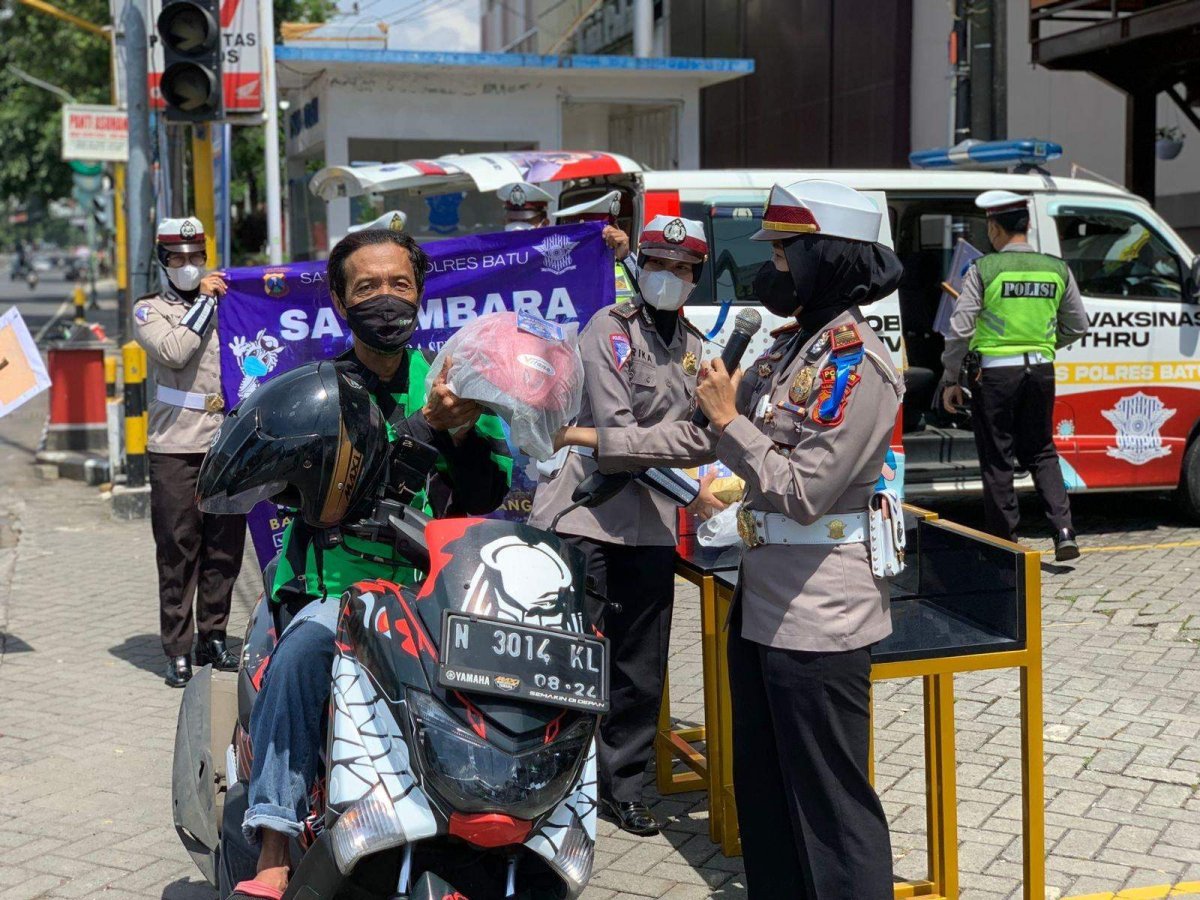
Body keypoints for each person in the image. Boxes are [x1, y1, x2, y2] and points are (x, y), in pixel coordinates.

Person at [555, 180, 904, 897]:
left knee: (831, 809)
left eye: (783, 253)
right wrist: (593, 437)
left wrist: (728, 420)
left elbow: (803, 491)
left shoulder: (855, 362)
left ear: (826, 258)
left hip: (821, 616)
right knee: (765, 796)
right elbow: (692, 433)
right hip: (763, 606)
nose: (772, 268)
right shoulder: (786, 352)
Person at [227, 229, 512, 900]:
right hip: (336, 590)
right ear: (338, 300)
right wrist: (426, 433)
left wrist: (465, 430)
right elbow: (321, 488)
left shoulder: (455, 384)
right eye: (367, 288)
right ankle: (271, 842)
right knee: (305, 649)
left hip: (431, 593)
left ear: (419, 294)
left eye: (399, 286)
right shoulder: (313, 391)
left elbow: (489, 494)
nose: (386, 300)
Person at [528, 215, 723, 836]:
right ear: (641, 268)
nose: (669, 277)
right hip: (586, 515)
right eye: (658, 265)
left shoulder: (696, 348)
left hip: (650, 527)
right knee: (568, 659)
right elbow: (616, 441)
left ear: (695, 277)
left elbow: (701, 436)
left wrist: (681, 448)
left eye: (682, 268)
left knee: (641, 665)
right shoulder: (608, 330)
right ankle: (551, 780)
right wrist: (682, 453)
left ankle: (625, 787)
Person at [940, 190, 1088, 560]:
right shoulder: (1057, 268)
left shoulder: (984, 269)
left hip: (995, 375)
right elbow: (1079, 325)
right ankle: (1064, 531)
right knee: (1041, 450)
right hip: (1041, 369)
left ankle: (1005, 542)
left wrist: (950, 378)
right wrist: (1047, 343)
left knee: (998, 457)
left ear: (994, 227)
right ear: (1029, 225)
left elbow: (959, 329)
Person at [133, 217, 244, 688]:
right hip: (174, 443)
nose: (188, 265)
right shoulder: (148, 311)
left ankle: (213, 634)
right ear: (164, 262)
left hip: (225, 439)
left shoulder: (225, 301)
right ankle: (176, 648)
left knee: (224, 545)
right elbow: (175, 352)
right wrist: (202, 301)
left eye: (195, 257)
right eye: (177, 258)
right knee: (178, 548)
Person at [552, 190, 637, 303]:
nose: (610, 235)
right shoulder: (560, 270)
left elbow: (651, 294)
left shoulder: (625, 263)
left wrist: (625, 256)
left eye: (611, 230)